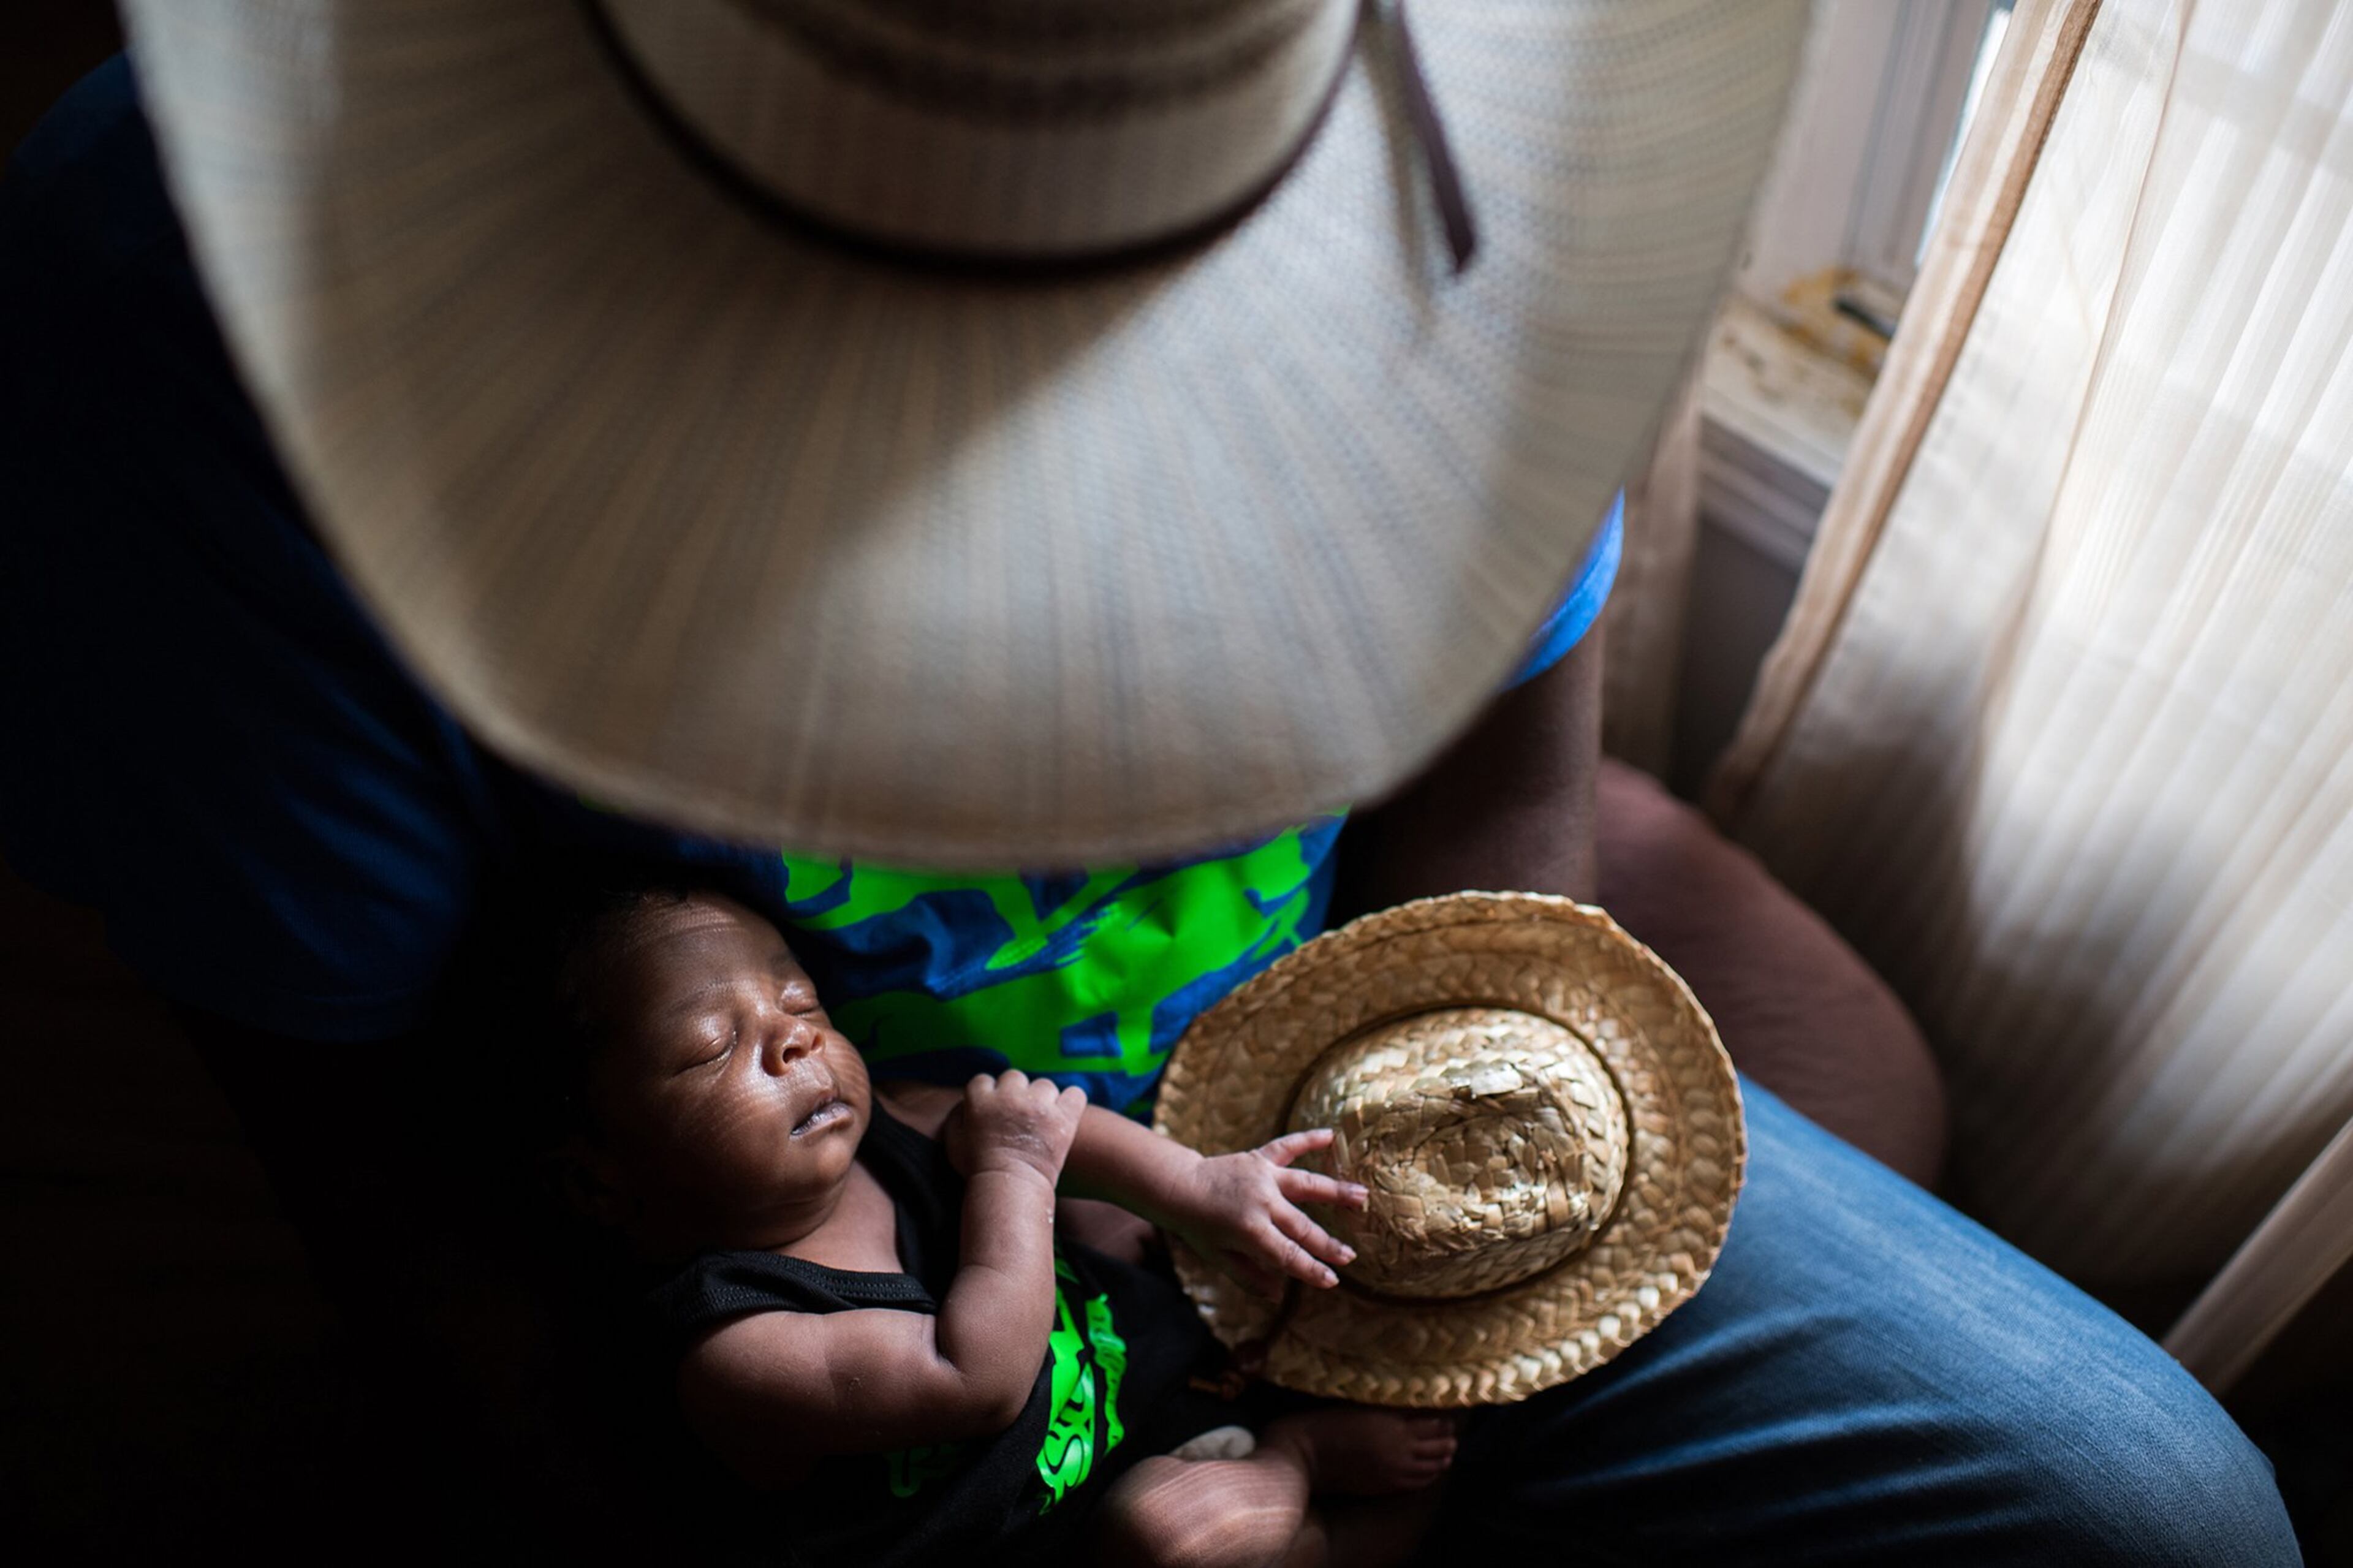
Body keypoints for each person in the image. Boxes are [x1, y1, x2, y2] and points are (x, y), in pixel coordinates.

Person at [0, 29, 2300, 1568]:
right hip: (869, 1253)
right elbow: (418, 1215)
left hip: (1314, 1083)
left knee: (2154, 1514)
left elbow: (1503, 774)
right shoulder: (189, 320)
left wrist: (1388, 1387)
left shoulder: (1492, 124)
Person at [540, 882, 1455, 1568]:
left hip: (1149, 1393)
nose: (795, 1042)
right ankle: (1296, 1467)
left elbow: (1044, 1124)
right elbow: (975, 1378)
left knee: (1106, 1214)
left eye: (801, 1003)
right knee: (1171, 1533)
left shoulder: (889, 1125)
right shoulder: (736, 1348)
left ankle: (1297, 1452)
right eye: (713, 1046)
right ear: (601, 1178)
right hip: (1083, 1535)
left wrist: (1198, 1189)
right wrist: (1014, 1169)